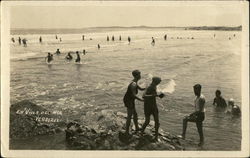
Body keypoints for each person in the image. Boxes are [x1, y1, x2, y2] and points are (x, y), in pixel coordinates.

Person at [140, 77, 165, 141]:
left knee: (157, 121)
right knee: (147, 121)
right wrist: (154, 95)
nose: (159, 83)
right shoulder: (149, 87)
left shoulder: (154, 86)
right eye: (158, 82)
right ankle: (141, 133)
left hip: (153, 106)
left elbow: (153, 95)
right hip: (148, 106)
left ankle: (156, 136)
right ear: (155, 81)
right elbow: (143, 96)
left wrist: (158, 96)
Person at [123, 70, 145, 136]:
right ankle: (126, 131)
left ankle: (137, 128)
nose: (140, 75)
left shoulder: (135, 82)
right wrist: (141, 100)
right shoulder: (133, 84)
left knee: (135, 115)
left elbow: (141, 89)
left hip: (130, 100)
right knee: (129, 116)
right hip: (128, 100)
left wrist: (148, 88)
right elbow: (133, 95)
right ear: (137, 75)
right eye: (139, 74)